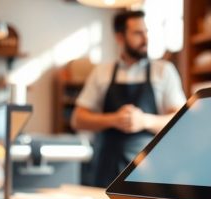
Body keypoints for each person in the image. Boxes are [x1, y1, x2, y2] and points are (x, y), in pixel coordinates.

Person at [71, 10, 186, 187]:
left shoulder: (164, 71)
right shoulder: (102, 72)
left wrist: (144, 121)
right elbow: (78, 119)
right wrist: (114, 119)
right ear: (119, 37)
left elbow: (180, 122)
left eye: (146, 32)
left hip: (150, 171)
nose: (145, 39)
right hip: (105, 168)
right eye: (138, 33)